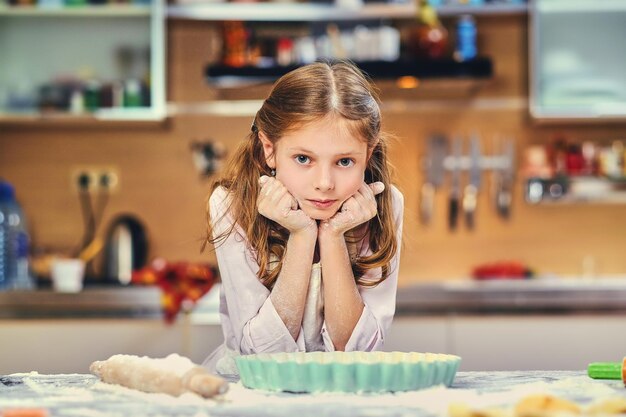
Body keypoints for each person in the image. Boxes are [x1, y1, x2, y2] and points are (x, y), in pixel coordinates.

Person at [202, 60, 404, 377]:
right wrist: (302, 235)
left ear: (368, 153)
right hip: (249, 394)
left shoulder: (386, 204)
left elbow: (357, 354)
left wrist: (334, 235)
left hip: (341, 394)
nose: (324, 182)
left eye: (345, 161)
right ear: (269, 150)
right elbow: (263, 356)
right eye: (303, 158)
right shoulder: (230, 205)